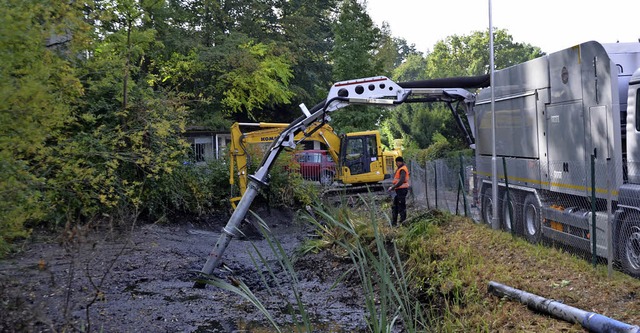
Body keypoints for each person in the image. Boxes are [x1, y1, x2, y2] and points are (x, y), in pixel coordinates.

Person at [388, 156, 410, 225]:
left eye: (396, 163)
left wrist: (393, 187)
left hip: (402, 190)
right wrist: (394, 187)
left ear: (399, 162)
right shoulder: (400, 169)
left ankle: (403, 222)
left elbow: (401, 180)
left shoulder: (402, 169)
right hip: (399, 190)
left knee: (401, 206)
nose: (396, 164)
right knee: (395, 206)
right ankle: (394, 222)